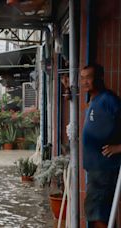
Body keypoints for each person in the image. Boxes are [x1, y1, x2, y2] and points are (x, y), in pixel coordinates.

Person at [81, 63, 121, 228]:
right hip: (96, 171)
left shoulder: (109, 100)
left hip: (105, 170)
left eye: (88, 78)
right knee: (102, 214)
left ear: (99, 78)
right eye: (82, 78)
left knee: (98, 214)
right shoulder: (94, 99)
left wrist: (118, 148)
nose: (85, 82)